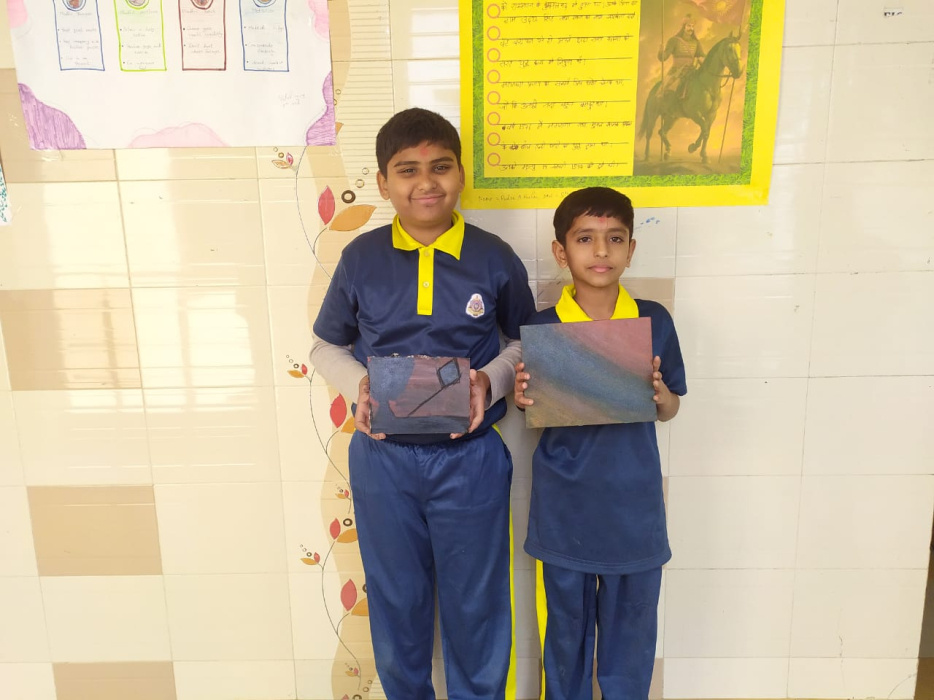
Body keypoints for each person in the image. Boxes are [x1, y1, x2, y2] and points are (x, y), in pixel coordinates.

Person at [311, 107, 536, 700]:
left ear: (461, 175)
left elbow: (526, 342)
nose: (426, 182)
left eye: (440, 166)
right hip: (382, 459)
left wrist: (490, 379)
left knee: (477, 604)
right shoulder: (361, 258)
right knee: (396, 601)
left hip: (471, 458)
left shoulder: (493, 256)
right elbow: (325, 345)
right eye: (407, 170)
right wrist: (358, 384)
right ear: (383, 183)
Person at [514, 187, 686, 700]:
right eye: (585, 239)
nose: (601, 250)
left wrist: (660, 395)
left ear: (631, 249)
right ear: (561, 251)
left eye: (614, 238)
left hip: (634, 512)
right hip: (564, 511)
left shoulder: (653, 321)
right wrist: (524, 399)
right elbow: (534, 413)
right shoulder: (544, 327)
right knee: (564, 641)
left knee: (629, 644)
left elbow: (671, 407)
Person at [658, 14, 706, 97]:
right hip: (676, 71)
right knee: (667, 92)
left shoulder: (696, 43)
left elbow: (702, 56)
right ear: (684, 27)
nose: (691, 28)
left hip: (691, 71)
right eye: (689, 26)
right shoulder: (674, 41)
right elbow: (663, 57)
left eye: (692, 26)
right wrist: (661, 51)